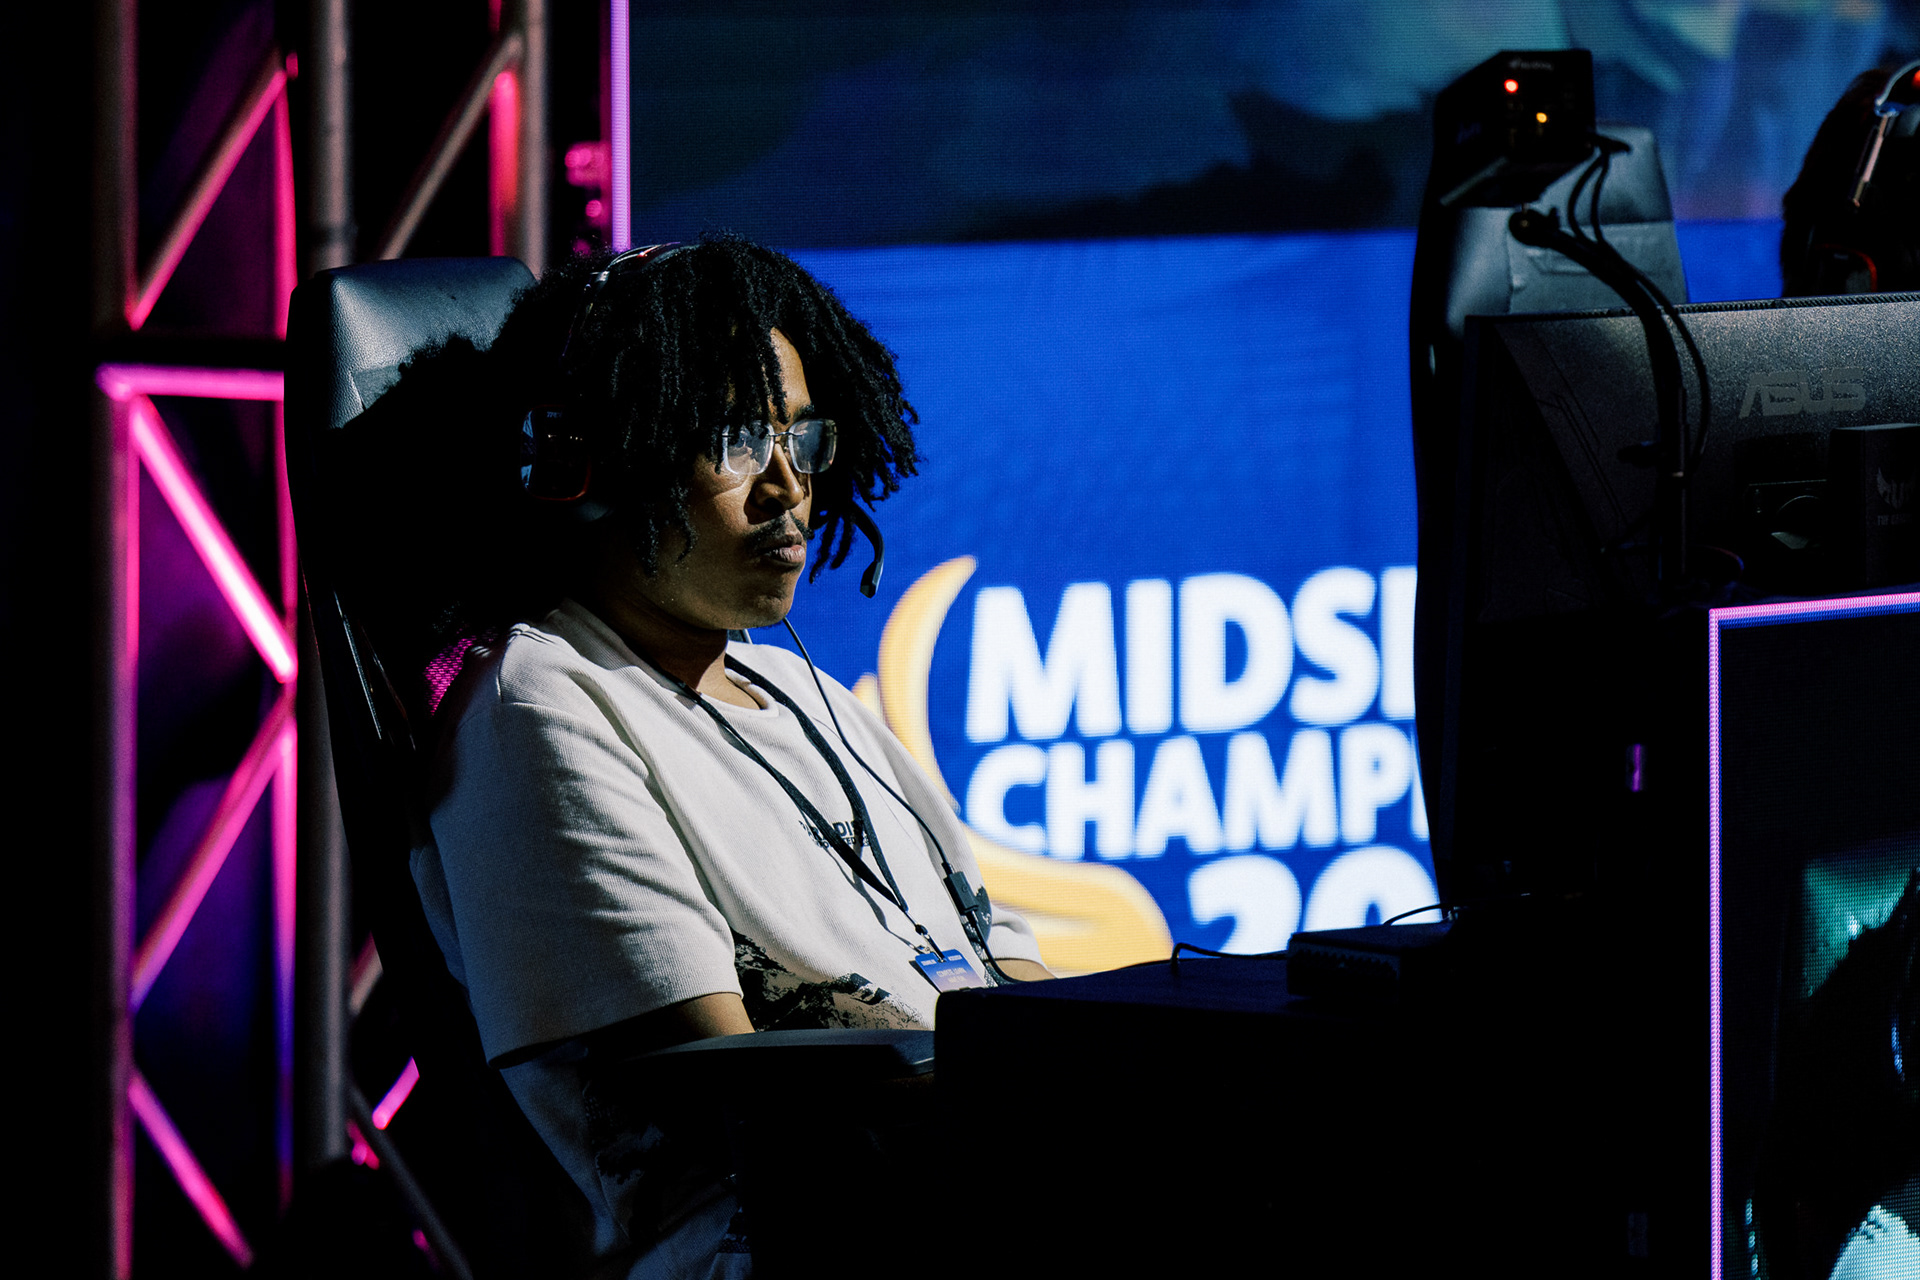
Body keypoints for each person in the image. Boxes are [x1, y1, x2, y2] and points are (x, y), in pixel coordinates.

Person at [358, 237, 1050, 1276]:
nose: (788, 487)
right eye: (733, 440)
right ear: (589, 466)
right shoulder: (541, 708)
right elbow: (736, 1091)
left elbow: (1006, 969)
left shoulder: (810, 695)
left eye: (801, 437)